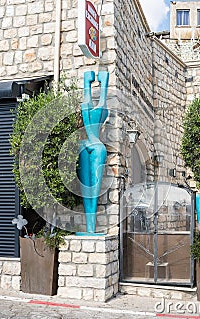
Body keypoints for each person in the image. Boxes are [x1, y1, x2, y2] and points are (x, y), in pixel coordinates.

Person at [78, 70, 109, 233]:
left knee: (94, 189)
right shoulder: (86, 105)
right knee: (86, 188)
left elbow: (102, 103)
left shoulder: (102, 110)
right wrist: (87, 83)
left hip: (96, 146)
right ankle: (89, 229)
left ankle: (92, 229)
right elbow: (86, 102)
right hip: (84, 145)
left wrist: (104, 83)